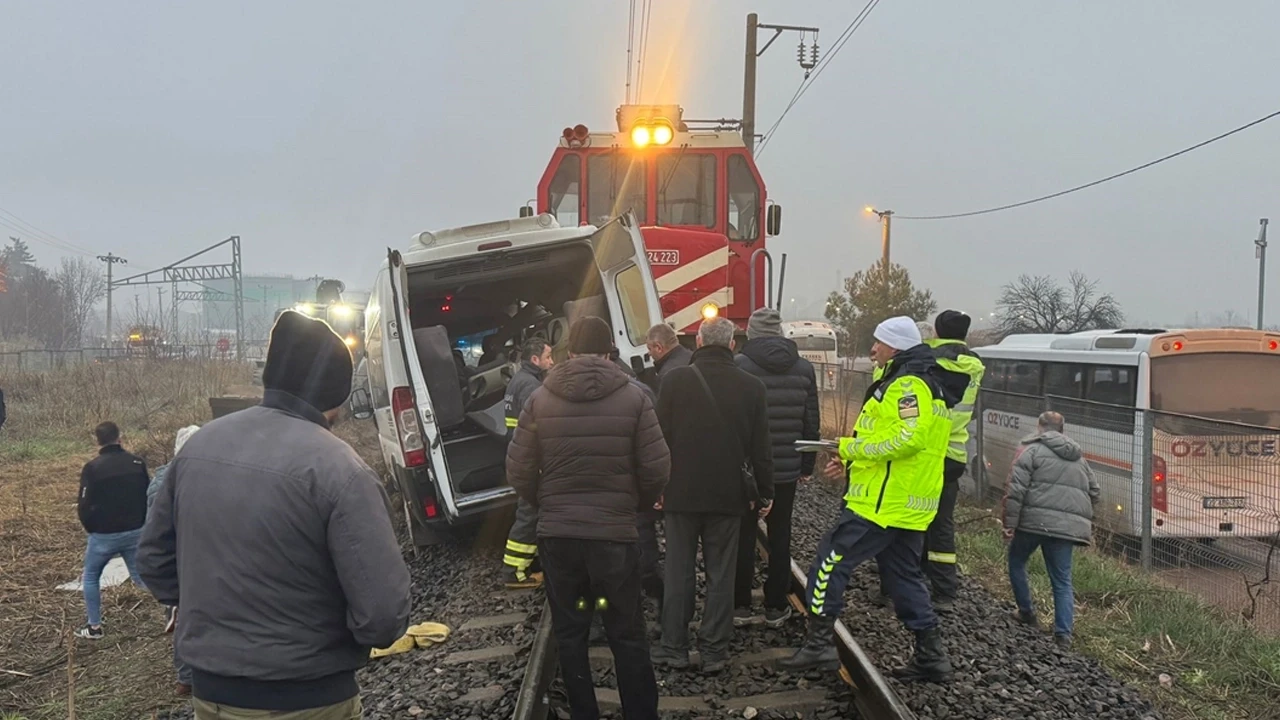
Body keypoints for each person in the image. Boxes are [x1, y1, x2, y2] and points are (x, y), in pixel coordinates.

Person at [138, 310, 411, 719]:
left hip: (212, 694)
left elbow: (153, 563)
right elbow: (383, 616)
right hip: (309, 699)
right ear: (336, 398)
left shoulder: (197, 449)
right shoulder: (341, 469)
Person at [506, 316, 669, 720]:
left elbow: (518, 471)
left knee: (571, 633)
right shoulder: (635, 397)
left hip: (559, 538)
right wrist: (634, 506)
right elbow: (657, 469)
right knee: (628, 633)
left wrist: (546, 504)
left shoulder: (539, 400)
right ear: (610, 352)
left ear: (570, 353)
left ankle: (585, 713)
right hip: (614, 536)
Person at [781, 317, 954, 683]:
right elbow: (898, 445)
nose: (872, 349)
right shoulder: (928, 384)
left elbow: (908, 439)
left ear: (895, 347)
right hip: (905, 505)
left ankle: (819, 642)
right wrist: (850, 461)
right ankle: (931, 655)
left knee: (829, 561)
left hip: (881, 505)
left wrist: (850, 448)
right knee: (904, 576)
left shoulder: (907, 385)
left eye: (878, 342)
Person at [653, 317, 773, 673]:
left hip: (681, 493)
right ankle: (714, 650)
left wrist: (657, 487)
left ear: (700, 341)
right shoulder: (752, 387)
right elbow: (761, 448)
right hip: (728, 496)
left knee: (678, 570)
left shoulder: (674, 381)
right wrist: (765, 493)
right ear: (732, 345)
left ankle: (674, 646)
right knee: (722, 573)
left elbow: (659, 440)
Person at [732, 308, 819, 628]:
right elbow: (811, 420)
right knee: (781, 534)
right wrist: (806, 464)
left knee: (743, 533)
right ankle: (775, 604)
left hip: (748, 469)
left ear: (751, 333)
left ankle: (739, 604)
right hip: (786, 467)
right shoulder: (804, 368)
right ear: (780, 333)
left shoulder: (739, 365)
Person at [1003, 411, 1100, 649]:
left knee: (1016, 561)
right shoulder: (1080, 459)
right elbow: (1095, 492)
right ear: (1063, 429)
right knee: (1062, 580)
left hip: (1032, 524)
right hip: (1065, 530)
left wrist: (1010, 524)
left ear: (1039, 427)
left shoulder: (1032, 451)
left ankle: (1026, 612)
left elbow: (1016, 491)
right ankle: (1063, 635)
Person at [920, 310, 985, 612]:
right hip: (954, 454)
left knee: (914, 518)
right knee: (942, 523)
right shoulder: (974, 367)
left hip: (926, 452)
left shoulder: (926, 359)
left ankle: (910, 577)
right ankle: (945, 591)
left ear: (936, 331)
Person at [75, 421, 150, 640]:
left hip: (104, 535)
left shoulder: (92, 468)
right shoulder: (137, 463)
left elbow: (84, 505)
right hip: (135, 531)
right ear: (120, 437)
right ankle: (170, 610)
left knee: (90, 576)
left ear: (97, 441)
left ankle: (94, 627)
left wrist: (92, 529)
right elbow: (148, 494)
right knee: (141, 577)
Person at [146, 425, 201, 696]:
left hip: (186, 559)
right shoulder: (168, 482)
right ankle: (186, 678)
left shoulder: (165, 478)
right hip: (183, 559)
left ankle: (189, 676)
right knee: (183, 617)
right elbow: (156, 535)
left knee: (185, 617)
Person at [502, 337, 555, 589]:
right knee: (529, 514)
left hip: (521, 456)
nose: (552, 361)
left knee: (529, 511)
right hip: (531, 461)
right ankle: (513, 571)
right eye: (548, 357)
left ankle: (530, 564)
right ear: (535, 360)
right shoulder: (531, 387)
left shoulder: (517, 381)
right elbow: (540, 427)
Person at [643, 322, 692, 393]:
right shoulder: (693, 357)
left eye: (649, 349)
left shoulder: (666, 375)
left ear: (658, 348)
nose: (649, 353)